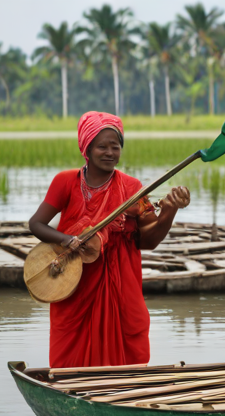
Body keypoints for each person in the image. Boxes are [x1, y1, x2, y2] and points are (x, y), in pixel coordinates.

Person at [29, 111, 190, 368]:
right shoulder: (65, 182)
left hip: (121, 287)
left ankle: (123, 394)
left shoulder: (132, 188)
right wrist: (68, 239)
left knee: (129, 348)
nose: (110, 153)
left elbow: (147, 241)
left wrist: (170, 210)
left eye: (115, 147)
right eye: (102, 146)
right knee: (69, 354)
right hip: (75, 286)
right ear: (87, 148)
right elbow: (36, 224)